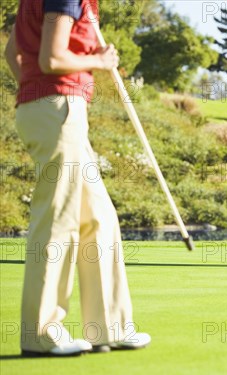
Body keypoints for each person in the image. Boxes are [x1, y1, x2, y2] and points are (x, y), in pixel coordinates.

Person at [4, 0, 150, 356]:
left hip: (54, 108)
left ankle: (108, 327)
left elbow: (12, 54)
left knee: (98, 217)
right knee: (58, 220)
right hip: (59, 109)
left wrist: (34, 89)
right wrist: (99, 61)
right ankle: (41, 333)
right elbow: (51, 60)